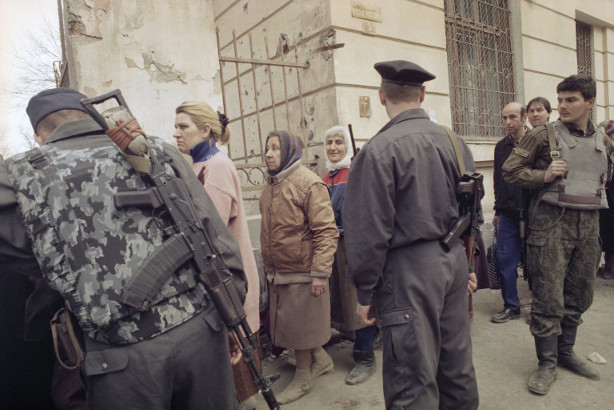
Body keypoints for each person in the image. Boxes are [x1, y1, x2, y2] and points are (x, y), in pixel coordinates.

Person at [0, 87, 246, 409]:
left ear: (38, 136)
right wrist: (229, 315)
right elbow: (215, 237)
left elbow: (22, 256)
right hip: (202, 332)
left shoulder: (18, 176)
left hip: (121, 358)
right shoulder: (156, 150)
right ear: (92, 114)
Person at [343, 60, 479, 409]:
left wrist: (364, 292)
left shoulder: (377, 150)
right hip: (453, 260)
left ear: (381, 97)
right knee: (456, 367)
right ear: (422, 92)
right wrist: (468, 264)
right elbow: (473, 208)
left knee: (411, 379)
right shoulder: (455, 140)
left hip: (408, 272)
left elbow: (368, 232)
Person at [503, 75, 609, 395]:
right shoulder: (542, 134)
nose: (561, 105)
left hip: (589, 224)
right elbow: (511, 170)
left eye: (571, 99)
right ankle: (547, 363)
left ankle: (566, 352)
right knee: (548, 296)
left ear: (589, 102)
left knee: (579, 294)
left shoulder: (604, 139)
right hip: (551, 222)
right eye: (559, 99)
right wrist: (543, 174)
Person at [173, 101, 261, 409]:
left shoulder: (217, 167)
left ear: (205, 129)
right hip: (215, 282)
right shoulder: (197, 165)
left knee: (239, 383)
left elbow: (207, 233)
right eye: (176, 127)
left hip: (226, 282)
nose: (176, 134)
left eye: (183, 126)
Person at [259, 130, 338, 404]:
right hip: (280, 270)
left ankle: (304, 377)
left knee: (301, 327)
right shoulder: (272, 183)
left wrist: (320, 274)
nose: (268, 154)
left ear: (290, 151)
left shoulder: (309, 183)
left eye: (275, 148)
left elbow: (326, 232)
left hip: (304, 272)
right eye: (267, 148)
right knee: (293, 325)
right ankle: (322, 359)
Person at [321, 125, 379, 385]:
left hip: (354, 243)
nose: (333, 147)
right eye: (329, 142)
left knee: (359, 296)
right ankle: (366, 338)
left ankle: (365, 357)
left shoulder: (356, 172)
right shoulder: (325, 177)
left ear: (347, 147)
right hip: (332, 244)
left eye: (338, 142)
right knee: (342, 300)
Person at [491, 102, 529, 323]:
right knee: (506, 262)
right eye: (504, 118)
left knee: (536, 264)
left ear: (523, 117)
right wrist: (497, 210)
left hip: (534, 214)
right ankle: (511, 306)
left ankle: (540, 309)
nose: (508, 122)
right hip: (508, 214)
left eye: (512, 117)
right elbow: (498, 180)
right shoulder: (501, 146)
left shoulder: (538, 142)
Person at [597, 120, 614, 280]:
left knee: (610, 232)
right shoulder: (600, 151)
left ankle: (609, 266)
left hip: (611, 197)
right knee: (601, 233)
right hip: (600, 197)